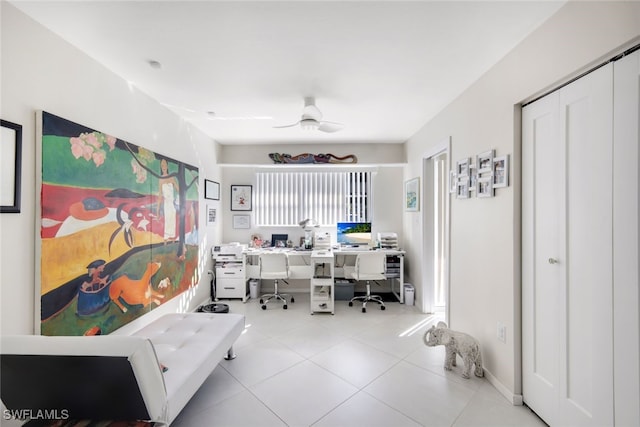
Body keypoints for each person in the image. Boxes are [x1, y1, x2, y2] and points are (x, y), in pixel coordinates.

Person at [157, 158, 179, 243]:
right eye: (162, 165)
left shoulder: (172, 178)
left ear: (167, 165)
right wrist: (157, 211)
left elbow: (179, 190)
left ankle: (173, 239)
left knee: (172, 221)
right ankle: (166, 239)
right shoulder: (160, 179)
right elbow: (159, 196)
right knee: (167, 221)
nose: (163, 166)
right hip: (166, 204)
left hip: (172, 204)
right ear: (160, 166)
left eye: (165, 164)